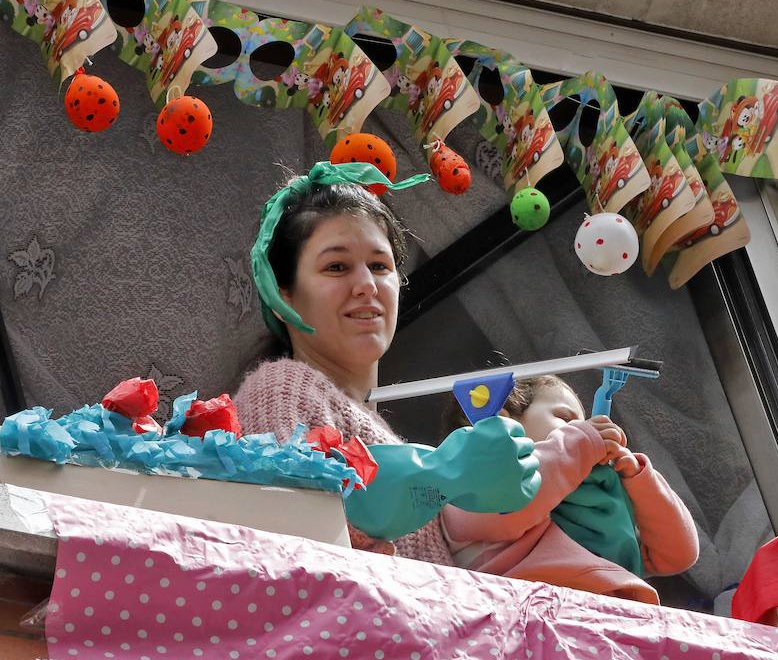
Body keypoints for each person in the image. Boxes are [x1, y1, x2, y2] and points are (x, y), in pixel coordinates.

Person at [233, 161, 540, 565]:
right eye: (337, 266)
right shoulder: (281, 386)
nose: (366, 285)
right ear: (283, 293)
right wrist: (440, 475)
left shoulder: (379, 432)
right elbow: (291, 545)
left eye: (380, 266)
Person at [442, 374, 699, 604]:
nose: (582, 429)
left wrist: (641, 482)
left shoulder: (599, 502)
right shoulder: (471, 484)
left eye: (583, 424)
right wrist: (580, 443)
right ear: (503, 422)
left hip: (604, 626)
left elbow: (678, 555)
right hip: (523, 613)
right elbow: (512, 496)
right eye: (566, 419)